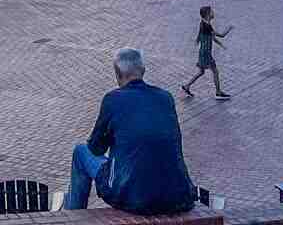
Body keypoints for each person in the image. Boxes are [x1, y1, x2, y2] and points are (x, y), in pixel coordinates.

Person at [64, 48, 197, 215]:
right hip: (178, 196)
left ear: (117, 74)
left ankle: (72, 215)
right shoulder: (165, 98)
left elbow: (95, 148)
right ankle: (70, 208)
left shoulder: (113, 99)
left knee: (80, 152)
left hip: (132, 197)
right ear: (143, 71)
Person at [179, 6, 231, 100]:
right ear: (207, 14)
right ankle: (218, 92)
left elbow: (208, 37)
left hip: (202, 52)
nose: (213, 13)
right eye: (212, 12)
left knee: (201, 72)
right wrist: (229, 29)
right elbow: (221, 35)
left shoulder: (203, 23)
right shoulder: (208, 26)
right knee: (215, 71)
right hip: (206, 54)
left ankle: (187, 86)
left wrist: (220, 44)